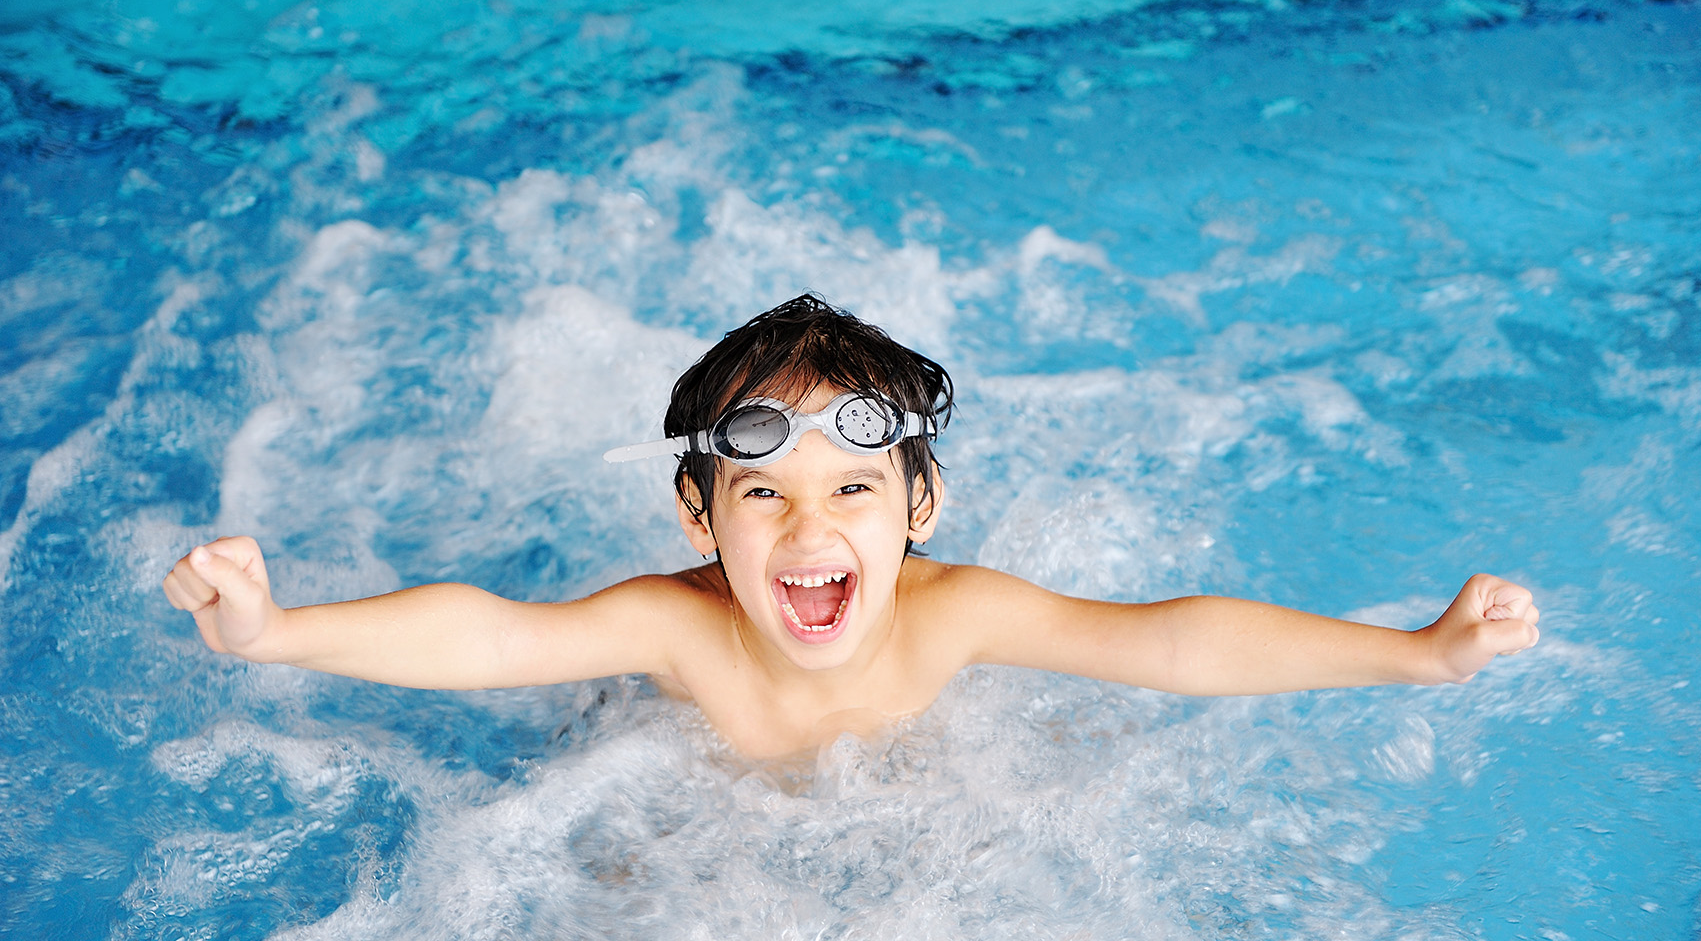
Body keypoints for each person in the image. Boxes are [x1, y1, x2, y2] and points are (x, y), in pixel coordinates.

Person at [163, 295, 1540, 759]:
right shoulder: (676, 626)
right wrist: (275, 633)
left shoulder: (953, 610)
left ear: (917, 509)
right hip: (684, 784)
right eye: (761, 493)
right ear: (700, 515)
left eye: (854, 491)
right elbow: (492, 636)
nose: (808, 525)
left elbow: (1169, 644)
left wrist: (1415, 654)